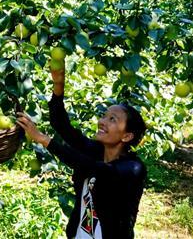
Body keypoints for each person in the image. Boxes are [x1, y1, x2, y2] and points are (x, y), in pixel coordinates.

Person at [16, 66, 147, 239]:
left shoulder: (133, 169)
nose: (101, 121)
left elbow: (95, 168)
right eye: (104, 116)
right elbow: (62, 126)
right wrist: (58, 85)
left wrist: (42, 139)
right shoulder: (96, 150)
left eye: (112, 119)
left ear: (127, 136)